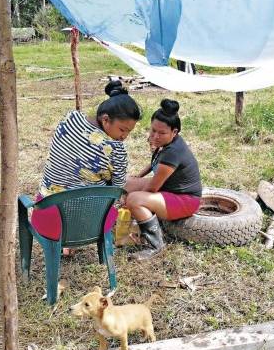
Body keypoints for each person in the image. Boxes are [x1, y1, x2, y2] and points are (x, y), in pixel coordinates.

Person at [31, 81, 142, 252]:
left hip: (47, 217)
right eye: (122, 129)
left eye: (129, 132)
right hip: (91, 224)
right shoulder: (116, 150)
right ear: (106, 120)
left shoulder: (71, 118)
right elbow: (117, 189)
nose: (124, 136)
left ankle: (67, 246)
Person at [125, 99, 202, 260]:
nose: (155, 136)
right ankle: (141, 214)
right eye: (153, 130)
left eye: (161, 133)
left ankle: (155, 245)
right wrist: (138, 177)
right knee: (127, 182)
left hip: (185, 200)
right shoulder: (167, 144)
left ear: (174, 132)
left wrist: (131, 205)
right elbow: (155, 164)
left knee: (134, 199)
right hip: (169, 189)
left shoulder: (173, 152)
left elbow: (152, 188)